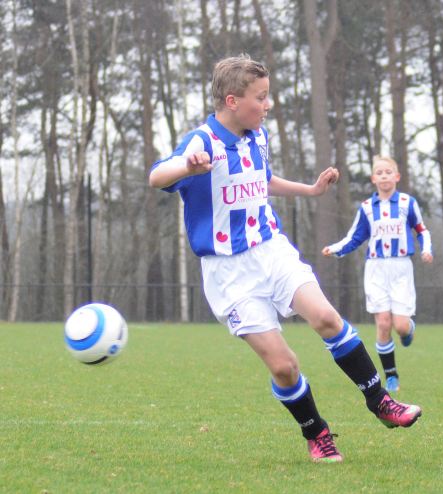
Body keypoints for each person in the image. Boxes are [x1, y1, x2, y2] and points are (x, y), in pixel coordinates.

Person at [148, 56, 422, 464]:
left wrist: (311, 191)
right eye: (261, 98)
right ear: (232, 100)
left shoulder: (256, 135)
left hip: (271, 250)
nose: (268, 104)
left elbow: (263, 180)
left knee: (327, 319)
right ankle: (317, 432)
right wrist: (186, 166)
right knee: (284, 367)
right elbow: (157, 176)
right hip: (229, 273)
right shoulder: (202, 141)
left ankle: (380, 400)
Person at [322, 156, 433, 393]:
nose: (384, 176)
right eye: (379, 172)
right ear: (373, 178)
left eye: (388, 172)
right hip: (375, 269)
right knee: (383, 323)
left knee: (400, 326)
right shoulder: (366, 208)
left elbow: (422, 230)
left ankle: (408, 330)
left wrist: (426, 249)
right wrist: (335, 249)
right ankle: (391, 375)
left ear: (397, 176)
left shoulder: (407, 203)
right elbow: (356, 236)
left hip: (401, 268)